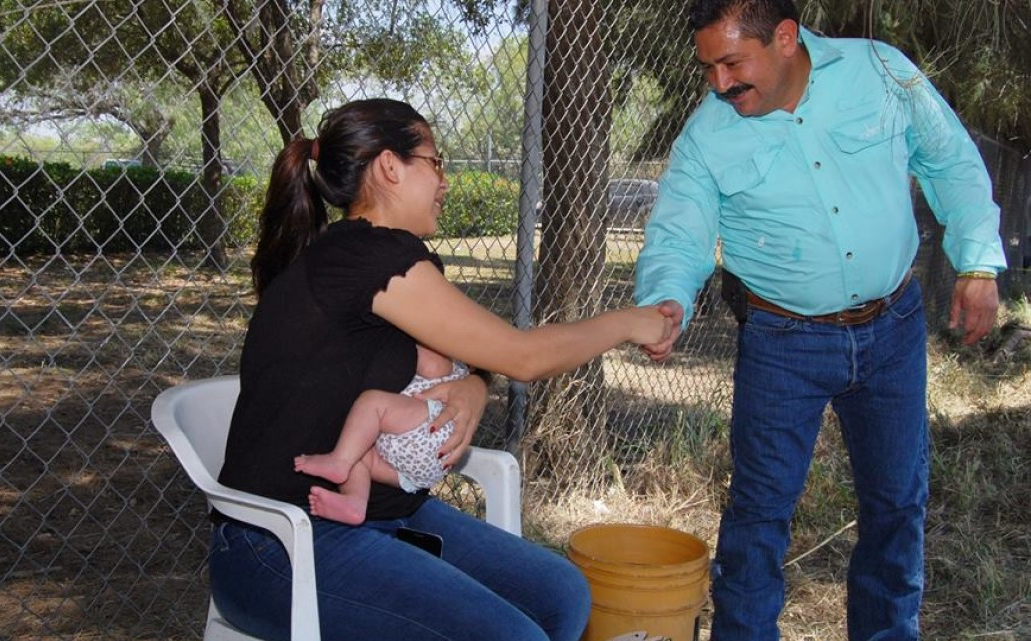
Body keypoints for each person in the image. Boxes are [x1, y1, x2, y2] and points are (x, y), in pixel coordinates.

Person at [213, 97, 670, 641]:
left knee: (561, 594)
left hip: (379, 515)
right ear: (390, 166)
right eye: (435, 161)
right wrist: (628, 322)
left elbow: (475, 354)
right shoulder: (371, 260)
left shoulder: (377, 257)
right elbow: (523, 356)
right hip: (278, 547)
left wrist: (474, 386)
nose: (444, 181)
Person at [633, 2, 1006, 640]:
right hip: (783, 343)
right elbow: (677, 234)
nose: (719, 83)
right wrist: (666, 300)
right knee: (758, 517)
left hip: (892, 329)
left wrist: (976, 262)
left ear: (785, 38)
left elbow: (950, 161)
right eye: (708, 68)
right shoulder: (706, 135)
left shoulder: (882, 72)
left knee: (897, 504)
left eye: (732, 63)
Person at [294, 344, 469, 525]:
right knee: (357, 450)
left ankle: (339, 462)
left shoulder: (448, 365)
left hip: (432, 427)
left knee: (373, 404)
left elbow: (432, 364)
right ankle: (354, 502)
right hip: (422, 470)